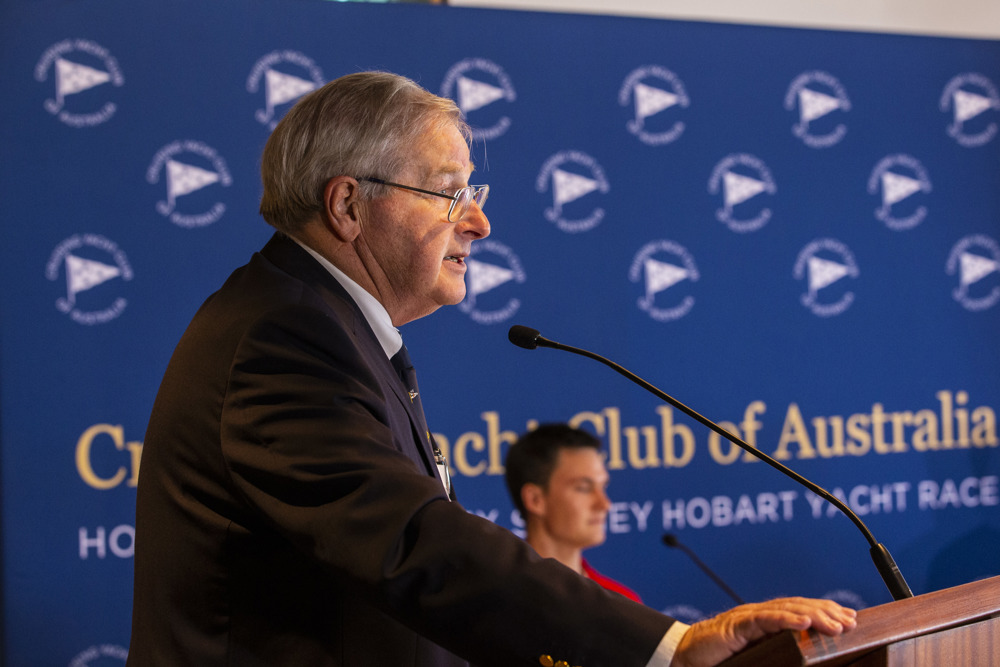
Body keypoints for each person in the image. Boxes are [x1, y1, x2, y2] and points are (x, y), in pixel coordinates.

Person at [128, 70, 856, 667]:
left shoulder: (321, 322)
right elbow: (412, 544)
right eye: (450, 193)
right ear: (349, 203)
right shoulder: (282, 335)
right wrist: (668, 645)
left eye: (472, 194)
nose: (477, 222)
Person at [505, 424, 641, 602]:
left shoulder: (624, 604)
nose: (604, 504)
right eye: (583, 488)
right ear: (535, 499)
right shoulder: (497, 598)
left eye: (603, 487)